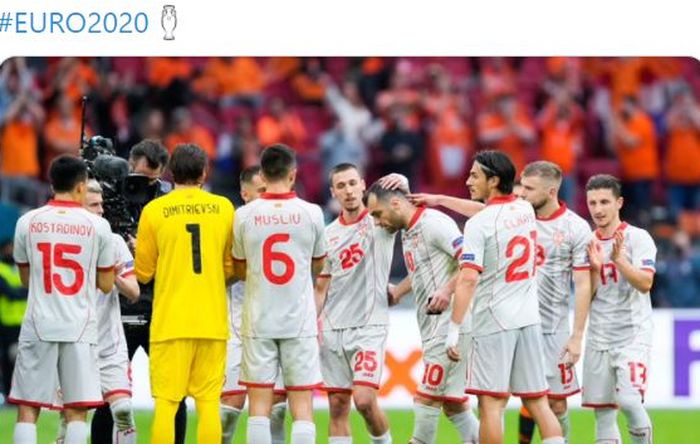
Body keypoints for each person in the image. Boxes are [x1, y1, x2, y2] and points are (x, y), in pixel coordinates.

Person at [449, 150, 564, 444]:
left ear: (494, 179)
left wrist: (454, 328)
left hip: (494, 321)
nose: (467, 180)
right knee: (538, 401)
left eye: (475, 175)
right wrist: (438, 200)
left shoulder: (478, 225)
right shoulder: (525, 210)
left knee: (491, 404)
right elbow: (493, 212)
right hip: (529, 319)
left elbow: (469, 278)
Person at [9, 155, 116, 443]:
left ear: (51, 183)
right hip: (80, 325)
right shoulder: (98, 227)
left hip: (38, 322)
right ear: (82, 187)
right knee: (77, 409)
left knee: (28, 407)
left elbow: (26, 278)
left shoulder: (27, 222)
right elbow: (106, 285)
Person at [135, 144, 235, 443]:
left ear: (170, 173)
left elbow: (143, 273)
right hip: (212, 321)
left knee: (166, 405)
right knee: (208, 405)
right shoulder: (224, 207)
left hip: (170, 321)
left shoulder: (154, 210)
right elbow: (232, 268)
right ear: (204, 172)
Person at [365, 184, 480, 444]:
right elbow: (421, 270)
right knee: (454, 406)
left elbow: (471, 263)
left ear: (395, 203)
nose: (378, 222)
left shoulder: (435, 223)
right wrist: (399, 291)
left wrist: (447, 290)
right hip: (431, 327)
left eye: (377, 214)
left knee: (426, 398)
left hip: (452, 324)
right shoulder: (408, 230)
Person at [93, 139, 188, 443]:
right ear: (128, 164)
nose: (144, 184)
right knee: (111, 394)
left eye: (152, 179)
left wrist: (148, 251)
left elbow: (182, 253)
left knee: (173, 393)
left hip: (160, 305)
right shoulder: (105, 197)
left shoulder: (170, 203)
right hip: (118, 305)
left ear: (162, 175)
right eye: (139, 176)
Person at [232, 144, 326, 444]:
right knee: (301, 406)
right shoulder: (312, 213)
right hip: (299, 320)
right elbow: (318, 262)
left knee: (258, 406)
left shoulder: (244, 215)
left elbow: (240, 264)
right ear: (293, 174)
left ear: (261, 174)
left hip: (258, 318)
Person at [314, 164, 406, 444]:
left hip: (369, 327)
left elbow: (406, 205)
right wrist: (309, 327)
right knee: (338, 405)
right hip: (332, 328)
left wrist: (402, 179)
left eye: (353, 183)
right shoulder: (327, 235)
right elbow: (321, 288)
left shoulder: (380, 220)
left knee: (364, 401)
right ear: (333, 193)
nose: (349, 190)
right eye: (341, 186)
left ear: (364, 185)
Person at [517, 161, 593, 442]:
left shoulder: (575, 227)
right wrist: (440, 199)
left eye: (528, 188)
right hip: (516, 325)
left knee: (556, 403)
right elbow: (481, 212)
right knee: (519, 399)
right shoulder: (515, 215)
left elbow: (583, 284)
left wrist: (577, 336)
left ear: (551, 191)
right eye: (521, 186)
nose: (521, 193)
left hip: (553, 329)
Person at [583, 174, 655, 444]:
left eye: (604, 202)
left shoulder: (638, 238)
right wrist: (594, 271)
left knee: (629, 400)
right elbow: (585, 296)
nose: (598, 209)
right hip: (598, 336)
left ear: (619, 203)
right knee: (603, 413)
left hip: (632, 335)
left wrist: (619, 261)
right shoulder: (586, 242)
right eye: (592, 203)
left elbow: (646, 283)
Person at [221, 166, 288, 444]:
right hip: (238, 326)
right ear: (244, 193)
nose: (266, 196)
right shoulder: (231, 226)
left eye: (268, 189)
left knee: (276, 411)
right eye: (260, 191)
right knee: (227, 411)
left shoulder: (287, 223)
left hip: (278, 326)